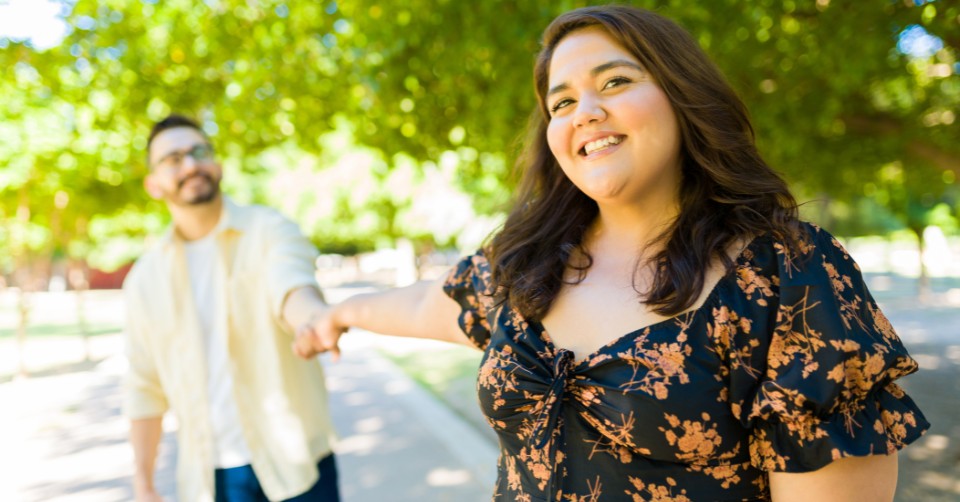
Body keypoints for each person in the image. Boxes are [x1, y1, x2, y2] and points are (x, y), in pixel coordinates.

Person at [294, 5, 930, 502]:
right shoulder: (527, 261)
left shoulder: (788, 273)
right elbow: (422, 305)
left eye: (615, 82)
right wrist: (339, 314)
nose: (585, 112)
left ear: (683, 97)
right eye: (562, 101)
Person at [123, 114, 339, 502]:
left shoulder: (270, 228)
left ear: (217, 164)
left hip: (300, 462)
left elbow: (290, 284)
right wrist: (143, 483)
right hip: (211, 477)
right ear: (152, 184)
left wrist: (312, 320)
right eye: (173, 159)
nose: (190, 165)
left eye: (198, 152)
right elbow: (144, 386)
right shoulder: (144, 279)